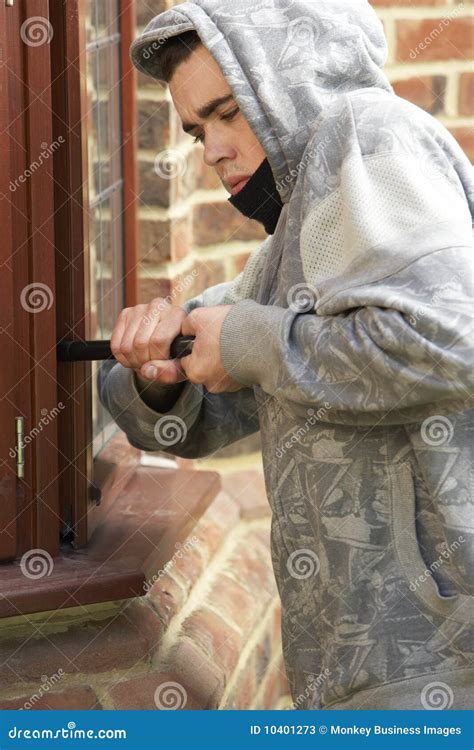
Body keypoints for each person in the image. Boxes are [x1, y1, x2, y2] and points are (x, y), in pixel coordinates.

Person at [98, 0, 474, 709]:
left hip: (441, 668)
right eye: (195, 129)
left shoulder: (367, 133)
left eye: (229, 112)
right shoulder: (291, 241)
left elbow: (451, 343)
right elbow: (216, 403)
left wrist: (248, 340)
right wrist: (157, 375)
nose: (212, 150)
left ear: (290, 81)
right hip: (368, 676)